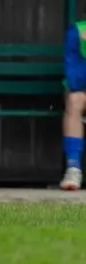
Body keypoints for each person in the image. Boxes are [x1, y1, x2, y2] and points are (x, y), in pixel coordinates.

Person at [60, 21, 86, 191]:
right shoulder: (78, 31)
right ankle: (73, 168)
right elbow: (75, 80)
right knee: (74, 100)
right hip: (82, 91)